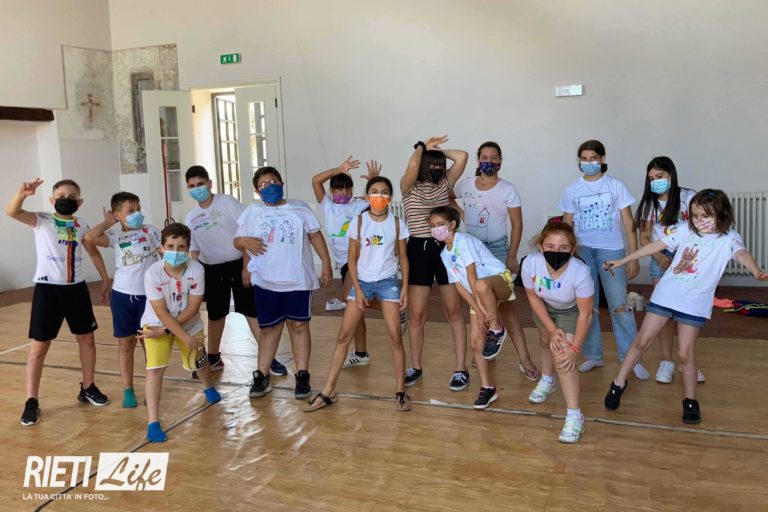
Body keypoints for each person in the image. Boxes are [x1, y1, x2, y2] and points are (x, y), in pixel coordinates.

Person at [603, 189, 768, 424]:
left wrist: (756, 271)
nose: (699, 221)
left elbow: (741, 254)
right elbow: (654, 246)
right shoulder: (685, 230)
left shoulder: (729, 238)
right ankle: (618, 382)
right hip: (666, 295)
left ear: (722, 215)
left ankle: (690, 401)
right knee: (642, 341)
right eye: (695, 216)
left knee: (684, 353)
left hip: (694, 303)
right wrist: (623, 260)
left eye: (706, 216)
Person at [6, 178, 111, 426]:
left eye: (71, 196)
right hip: (47, 291)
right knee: (39, 347)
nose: (66, 199)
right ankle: (31, 400)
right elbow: (12, 212)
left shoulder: (82, 224)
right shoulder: (41, 220)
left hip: (76, 290)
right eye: (61, 195)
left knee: (87, 340)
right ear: (52, 200)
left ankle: (88, 387)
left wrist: (105, 279)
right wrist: (22, 194)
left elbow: (93, 251)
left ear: (79, 201)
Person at [305, 177, 411, 412]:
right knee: (343, 336)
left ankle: (400, 391)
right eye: (374, 191)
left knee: (395, 337)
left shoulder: (397, 223)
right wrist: (358, 289)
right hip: (361, 281)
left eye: (384, 192)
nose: (379, 196)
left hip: (388, 283)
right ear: (367, 195)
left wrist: (404, 287)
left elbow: (403, 257)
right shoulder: (359, 221)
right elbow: (351, 259)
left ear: (390, 197)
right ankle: (328, 391)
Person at [234, 167, 333, 400]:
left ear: (282, 183)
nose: (270, 186)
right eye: (264, 184)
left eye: (274, 181)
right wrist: (243, 242)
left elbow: (315, 235)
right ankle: (261, 375)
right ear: (257, 190)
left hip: (297, 281)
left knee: (298, 326)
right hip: (265, 281)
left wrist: (326, 263)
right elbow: (238, 241)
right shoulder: (252, 212)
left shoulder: (299, 208)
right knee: (269, 329)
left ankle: (302, 374)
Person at [184, 166, 287, 377]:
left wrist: (246, 267)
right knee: (216, 314)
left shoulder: (227, 202)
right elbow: (194, 253)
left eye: (200, 184)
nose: (197, 189)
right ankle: (213, 357)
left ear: (209, 184)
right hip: (212, 270)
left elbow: (246, 233)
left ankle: (269, 358)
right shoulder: (191, 217)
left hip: (239, 264)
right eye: (192, 186)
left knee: (251, 311)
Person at [558, 139, 648, 379]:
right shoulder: (572, 189)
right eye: (584, 159)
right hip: (583, 252)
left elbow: (629, 223)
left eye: (593, 158)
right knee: (588, 306)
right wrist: (567, 256)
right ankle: (593, 355)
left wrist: (632, 257)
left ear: (602, 159)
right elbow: (566, 225)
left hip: (612, 251)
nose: (589, 162)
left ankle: (631, 358)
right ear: (580, 161)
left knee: (620, 305)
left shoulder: (616, 186)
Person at [453, 141, 539, 380]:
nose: (489, 162)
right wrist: (463, 215)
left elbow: (517, 224)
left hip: (497, 252)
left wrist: (512, 255)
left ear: (500, 161)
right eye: (484, 157)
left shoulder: (508, 189)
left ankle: (525, 359)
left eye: (494, 158)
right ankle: (484, 351)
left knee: (507, 306)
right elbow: (447, 196)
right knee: (478, 303)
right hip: (472, 252)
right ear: (477, 160)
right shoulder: (466, 184)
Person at [137, 223, 221, 442]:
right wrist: (178, 335)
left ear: (188, 248)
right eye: (171, 246)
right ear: (161, 248)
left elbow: (193, 307)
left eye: (181, 247)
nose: (176, 251)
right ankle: (153, 422)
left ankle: (208, 387)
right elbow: (160, 311)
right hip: (156, 324)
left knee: (199, 362)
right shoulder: (153, 273)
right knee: (155, 370)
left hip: (188, 323)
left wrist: (176, 333)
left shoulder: (196, 269)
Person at [401, 136, 469, 390]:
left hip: (445, 249)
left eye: (441, 166)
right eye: (434, 165)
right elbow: (412, 166)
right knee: (417, 314)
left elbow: (462, 156)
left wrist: (438, 151)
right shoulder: (409, 187)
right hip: (418, 250)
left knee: (453, 311)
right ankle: (415, 366)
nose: (438, 169)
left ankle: (460, 369)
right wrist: (421, 147)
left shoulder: (445, 183)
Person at [430, 206, 515, 409]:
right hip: (479, 296)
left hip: (498, 282)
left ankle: (497, 329)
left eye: (440, 224)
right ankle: (488, 388)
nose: (435, 229)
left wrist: (483, 311)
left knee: (481, 285)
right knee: (476, 344)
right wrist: (477, 310)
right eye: (432, 226)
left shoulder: (464, 241)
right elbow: (459, 285)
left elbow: (472, 276)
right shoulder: (444, 254)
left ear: (452, 224)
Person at [84, 192, 161, 408]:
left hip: (149, 297)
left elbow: (164, 255)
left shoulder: (151, 231)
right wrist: (108, 223)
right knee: (126, 343)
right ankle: (128, 390)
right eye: (131, 211)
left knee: (149, 343)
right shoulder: (115, 236)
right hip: (122, 297)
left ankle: (151, 388)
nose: (137, 214)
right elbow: (90, 238)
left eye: (139, 209)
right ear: (118, 215)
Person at [633, 156, 704, 384]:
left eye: (660, 176)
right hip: (661, 258)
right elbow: (645, 237)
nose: (656, 182)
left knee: (687, 313)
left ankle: (687, 362)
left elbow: (702, 227)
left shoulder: (689, 197)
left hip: (688, 258)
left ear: (671, 175)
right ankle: (666, 362)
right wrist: (659, 256)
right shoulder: (648, 204)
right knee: (664, 313)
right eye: (651, 178)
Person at [522, 222, 594, 443]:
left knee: (563, 358)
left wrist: (574, 349)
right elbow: (532, 297)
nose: (556, 251)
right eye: (550, 246)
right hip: (544, 306)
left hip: (571, 311)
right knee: (545, 340)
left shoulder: (580, 272)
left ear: (572, 250)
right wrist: (552, 329)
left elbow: (585, 315)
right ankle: (547, 380)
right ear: (541, 246)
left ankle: (574, 416)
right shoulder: (530, 263)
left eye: (563, 248)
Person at [312, 157, 376, 368]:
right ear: (332, 191)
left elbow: (378, 198)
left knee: (350, 302)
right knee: (353, 305)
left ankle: (393, 308)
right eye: (340, 189)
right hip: (345, 263)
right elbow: (315, 180)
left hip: (357, 260)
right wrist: (337, 169)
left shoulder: (359, 204)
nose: (345, 193)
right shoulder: (328, 206)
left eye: (348, 189)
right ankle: (361, 353)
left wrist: (374, 180)